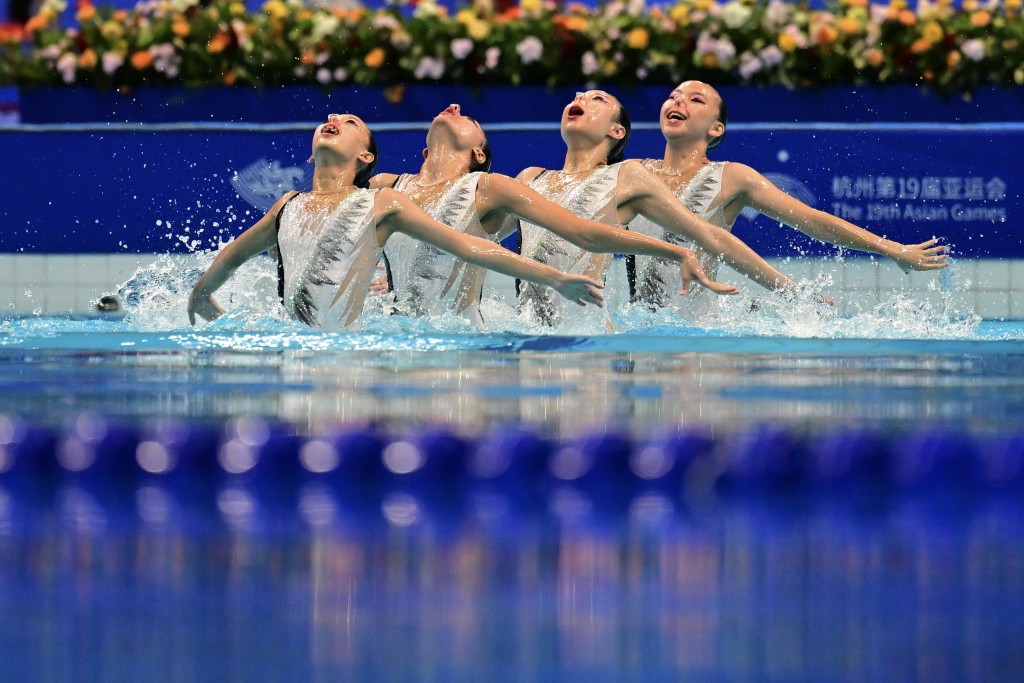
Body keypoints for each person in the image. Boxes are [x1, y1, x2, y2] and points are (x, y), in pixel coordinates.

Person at [187, 114, 604, 330]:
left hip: (447, 341)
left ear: (366, 157)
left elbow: (468, 245)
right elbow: (231, 258)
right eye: (334, 121)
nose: (335, 117)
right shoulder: (290, 204)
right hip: (323, 346)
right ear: (311, 155)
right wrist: (201, 295)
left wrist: (554, 278)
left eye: (353, 123)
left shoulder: (387, 201)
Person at [367, 104, 738, 328]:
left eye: (469, 118)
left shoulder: (491, 187)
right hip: (408, 333)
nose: (454, 109)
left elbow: (582, 232)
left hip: (480, 338)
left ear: (480, 153)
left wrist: (679, 252)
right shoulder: (385, 189)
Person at [629, 80, 948, 318]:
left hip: (696, 328)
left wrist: (891, 248)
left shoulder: (732, 177)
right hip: (639, 323)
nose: (678, 101)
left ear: (716, 128)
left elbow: (811, 220)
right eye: (673, 96)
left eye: (695, 99)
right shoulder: (632, 173)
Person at [509, 90, 802, 328]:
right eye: (673, 95)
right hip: (544, 332)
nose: (579, 97)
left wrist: (791, 291)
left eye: (598, 98)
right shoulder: (530, 179)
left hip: (634, 335)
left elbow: (709, 235)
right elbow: (476, 239)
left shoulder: (626, 176)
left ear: (617, 130)